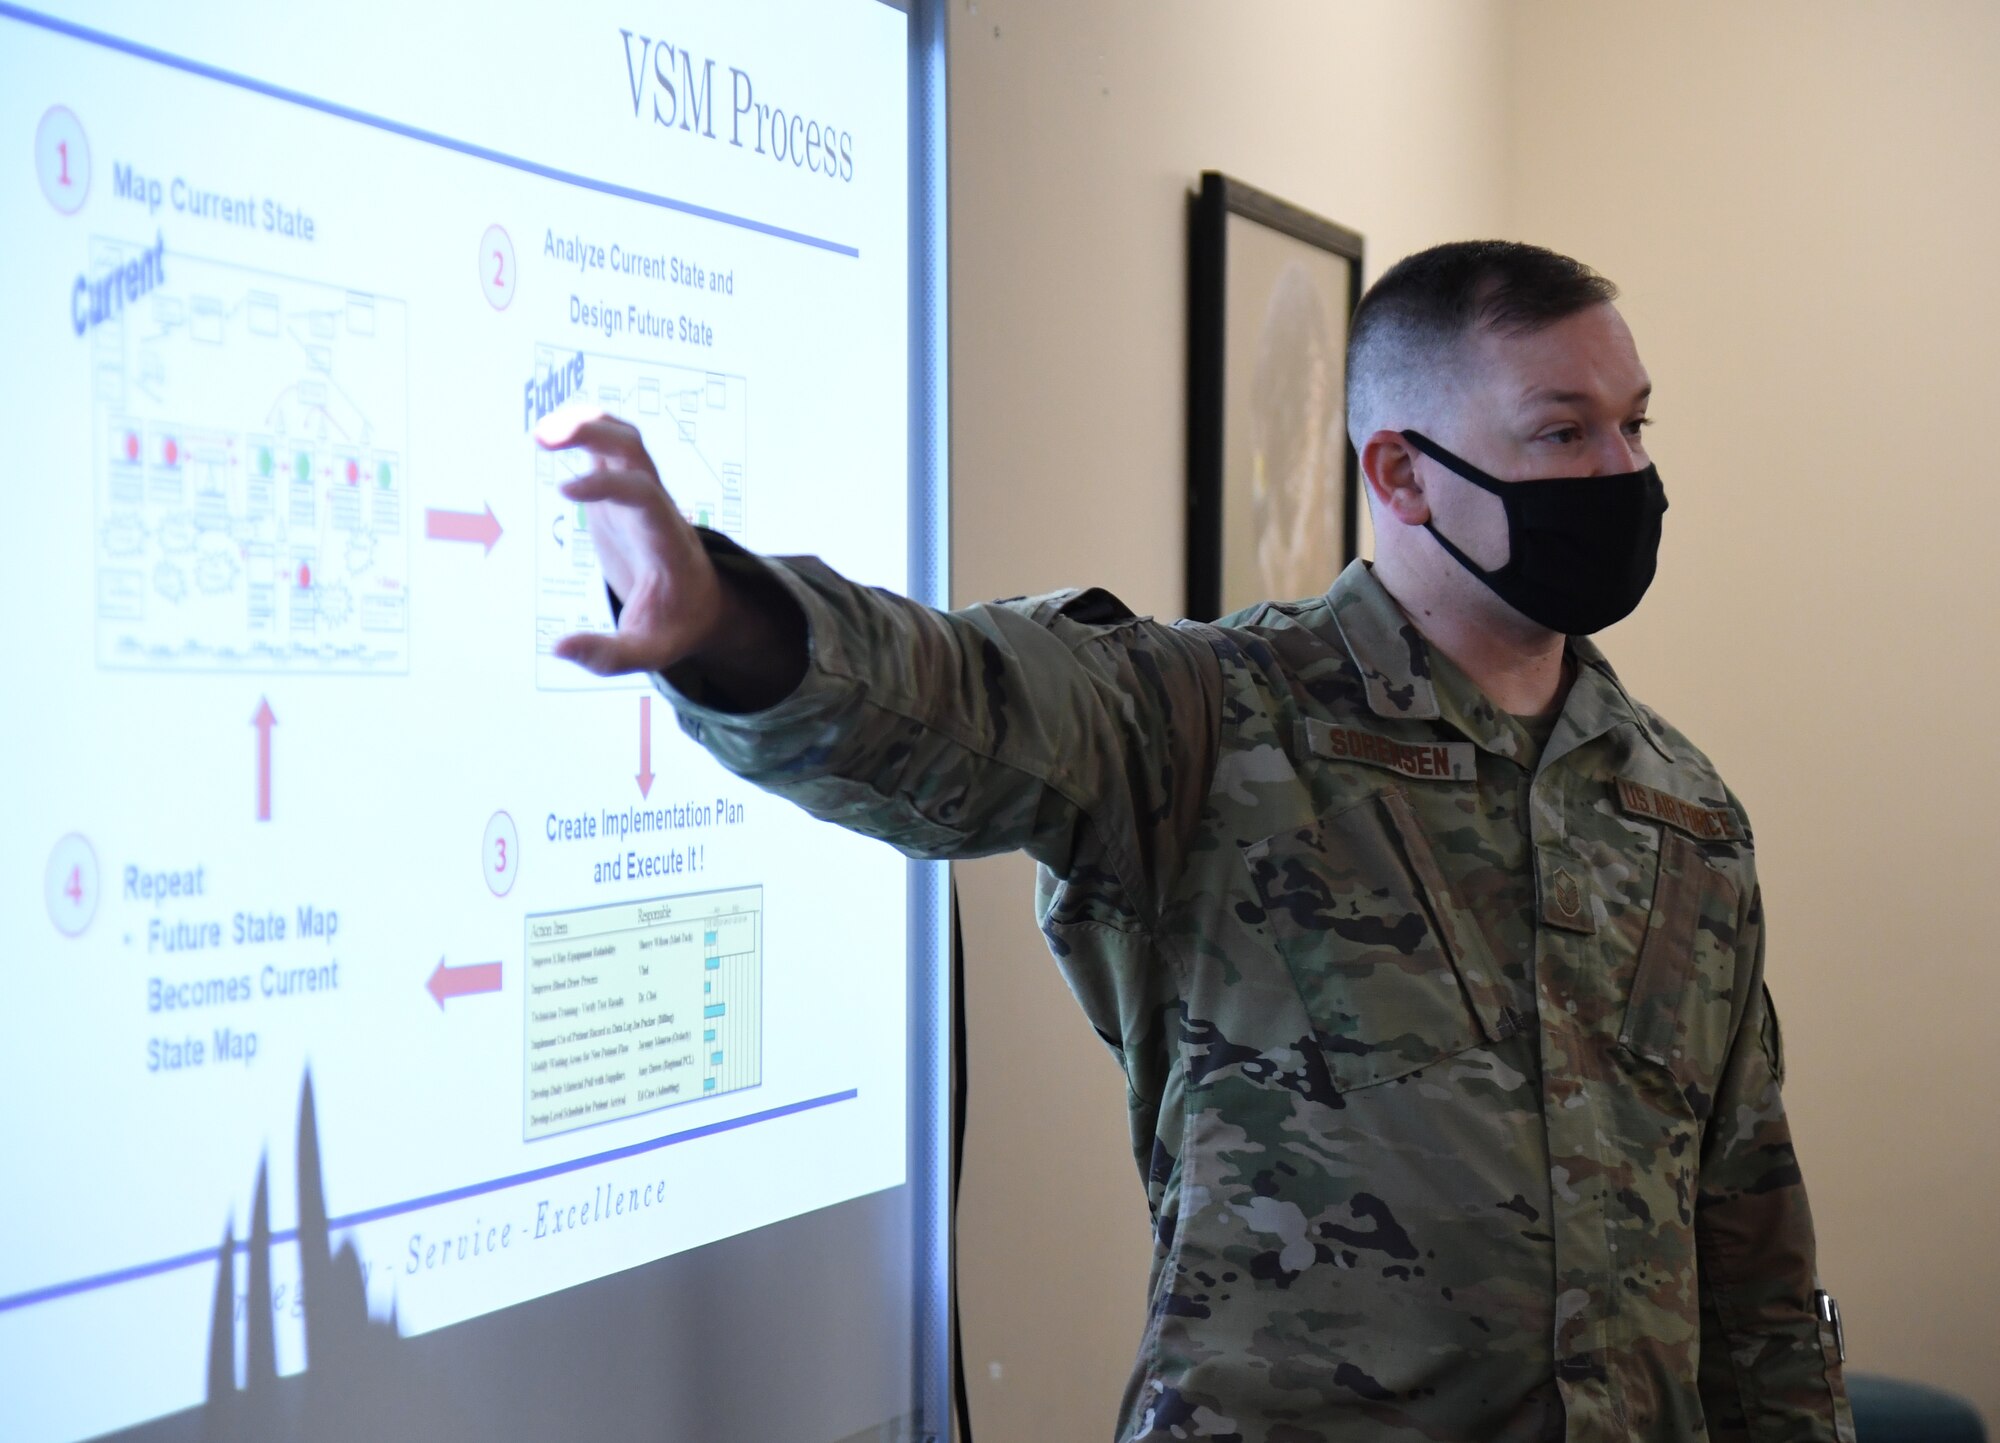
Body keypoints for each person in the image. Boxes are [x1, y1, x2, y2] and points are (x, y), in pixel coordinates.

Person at [535, 241, 1854, 1443]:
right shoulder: (1212, 718)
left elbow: (1749, 1244)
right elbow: (958, 699)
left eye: (1632, 425)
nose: (1622, 474)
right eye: (1564, 433)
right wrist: (725, 622)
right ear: (1400, 471)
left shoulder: (1678, 808)